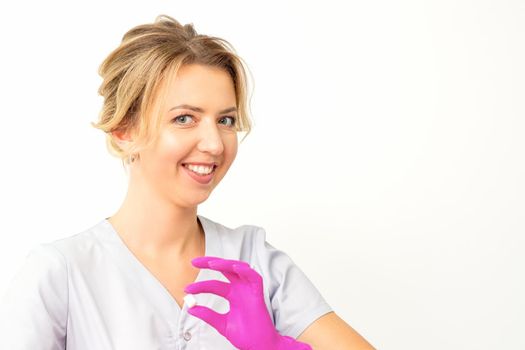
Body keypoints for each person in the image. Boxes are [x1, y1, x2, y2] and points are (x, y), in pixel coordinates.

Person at [0, 15, 375, 349]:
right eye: (184, 118)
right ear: (124, 131)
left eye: (225, 121)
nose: (214, 144)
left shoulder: (255, 261)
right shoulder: (60, 273)